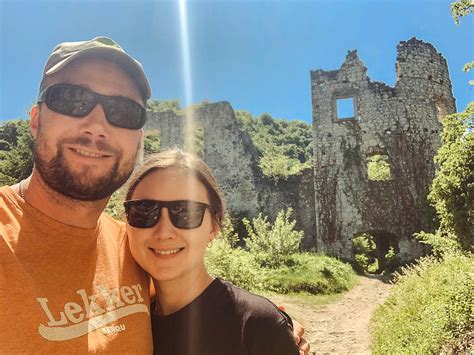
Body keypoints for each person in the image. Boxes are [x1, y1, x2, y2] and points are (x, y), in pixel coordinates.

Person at [0, 37, 309, 354]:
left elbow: (193, 303)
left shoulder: (132, 244)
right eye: (72, 99)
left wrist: (264, 325)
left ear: (138, 140)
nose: (96, 125)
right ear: (35, 120)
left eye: (122, 111)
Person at [124, 149, 300, 355]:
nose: (164, 232)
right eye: (144, 211)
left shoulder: (256, 326)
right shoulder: (126, 321)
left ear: (214, 226)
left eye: (186, 212)